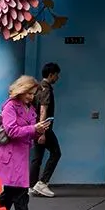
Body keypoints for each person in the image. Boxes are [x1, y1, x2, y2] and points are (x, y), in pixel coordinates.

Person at [0, 76, 46, 210]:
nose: (31, 97)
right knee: (20, 194)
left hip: (20, 155)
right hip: (11, 156)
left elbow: (29, 130)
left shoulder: (29, 108)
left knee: (8, 194)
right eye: (29, 93)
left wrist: (39, 130)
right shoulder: (10, 106)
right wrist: (33, 129)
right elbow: (11, 131)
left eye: (33, 94)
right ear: (21, 90)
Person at [29, 62, 62, 197]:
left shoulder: (36, 88)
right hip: (44, 128)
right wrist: (42, 131)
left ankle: (31, 185)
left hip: (36, 127)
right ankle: (42, 183)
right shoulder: (46, 89)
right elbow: (43, 109)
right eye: (56, 75)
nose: (57, 78)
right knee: (56, 153)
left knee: (37, 157)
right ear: (51, 75)